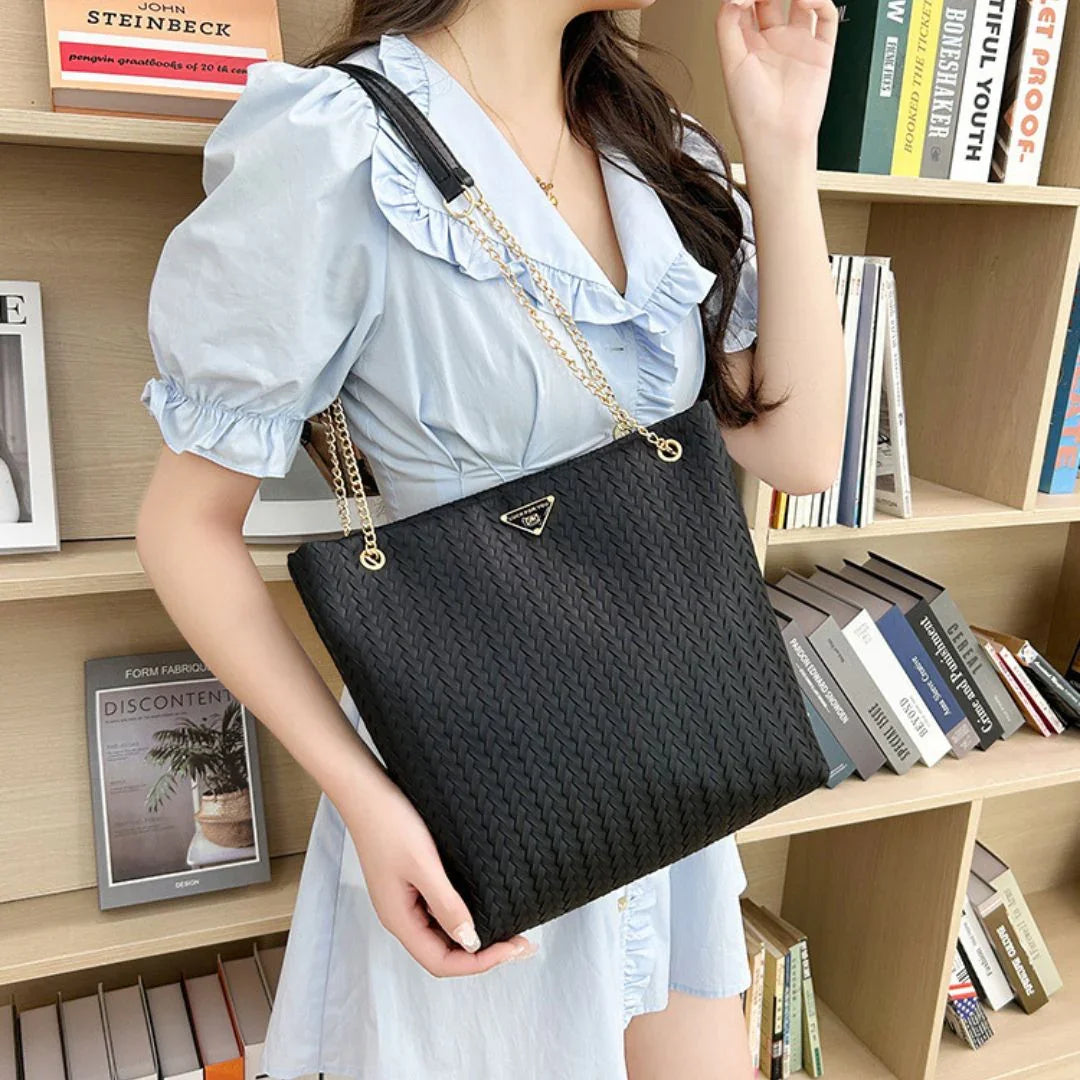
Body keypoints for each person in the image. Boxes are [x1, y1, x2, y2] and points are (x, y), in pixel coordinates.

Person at [135, 1, 844, 1076]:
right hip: (478, 791)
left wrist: (784, 144)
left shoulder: (654, 142)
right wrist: (364, 801)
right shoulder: (334, 143)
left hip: (676, 762)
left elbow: (801, 454)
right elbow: (184, 528)